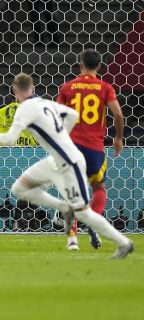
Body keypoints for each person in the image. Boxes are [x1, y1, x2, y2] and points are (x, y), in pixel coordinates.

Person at [0, 73, 133, 259]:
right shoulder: (45, 103)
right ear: (33, 88)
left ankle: (124, 242)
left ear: (14, 90)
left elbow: (9, 139)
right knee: (20, 188)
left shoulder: (24, 109)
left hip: (68, 161)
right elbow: (73, 115)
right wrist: (63, 135)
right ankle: (63, 207)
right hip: (55, 159)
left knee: (84, 212)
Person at [57, 49, 124, 251]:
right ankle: (93, 222)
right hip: (95, 146)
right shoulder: (105, 87)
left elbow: (57, 116)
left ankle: (72, 239)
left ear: (80, 65)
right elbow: (118, 114)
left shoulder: (68, 87)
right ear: (99, 66)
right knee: (99, 188)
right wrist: (118, 138)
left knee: (71, 191)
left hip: (72, 146)